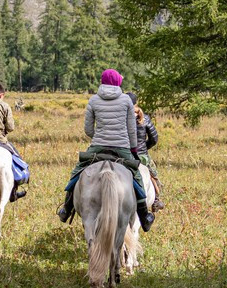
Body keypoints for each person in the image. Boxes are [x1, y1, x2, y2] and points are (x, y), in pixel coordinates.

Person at [56, 69, 154, 231]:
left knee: (77, 172)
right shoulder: (126, 101)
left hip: (98, 146)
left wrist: (99, 137)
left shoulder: (94, 100)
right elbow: (131, 130)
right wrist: (133, 148)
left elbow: (88, 129)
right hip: (122, 147)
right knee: (136, 175)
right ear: (118, 83)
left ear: (102, 81)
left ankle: (66, 209)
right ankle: (144, 215)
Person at [128, 92, 164, 211]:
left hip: (123, 153)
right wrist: (144, 148)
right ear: (136, 102)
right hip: (141, 154)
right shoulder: (144, 118)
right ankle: (157, 199)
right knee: (153, 174)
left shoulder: (120, 117)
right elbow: (154, 139)